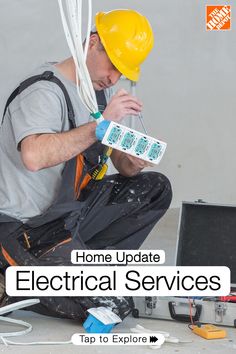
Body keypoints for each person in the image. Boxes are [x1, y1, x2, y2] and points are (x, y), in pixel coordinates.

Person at [0, 9, 172, 321]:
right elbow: (34, 156)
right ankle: (20, 279)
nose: (114, 77)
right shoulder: (43, 92)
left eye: (123, 71)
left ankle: (80, 266)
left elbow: (115, 158)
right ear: (93, 43)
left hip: (71, 216)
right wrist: (100, 126)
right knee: (104, 308)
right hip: (28, 227)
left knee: (155, 188)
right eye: (114, 65)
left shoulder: (100, 95)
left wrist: (131, 162)